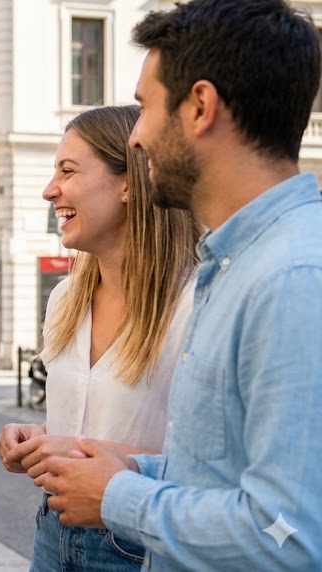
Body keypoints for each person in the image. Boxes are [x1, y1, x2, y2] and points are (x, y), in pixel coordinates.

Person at [34, 1, 322, 569]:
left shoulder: (292, 278)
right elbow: (211, 475)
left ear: (199, 107)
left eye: (144, 106)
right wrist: (122, 469)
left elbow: (293, 536)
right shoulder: (236, 265)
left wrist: (118, 497)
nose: (136, 136)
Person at [0, 105, 201, 571]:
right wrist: (39, 438)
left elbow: (213, 467)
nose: (51, 191)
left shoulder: (198, 303)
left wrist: (78, 449)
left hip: (141, 547)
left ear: (129, 181)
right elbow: (98, 425)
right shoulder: (65, 299)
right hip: (53, 534)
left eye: (68, 171)